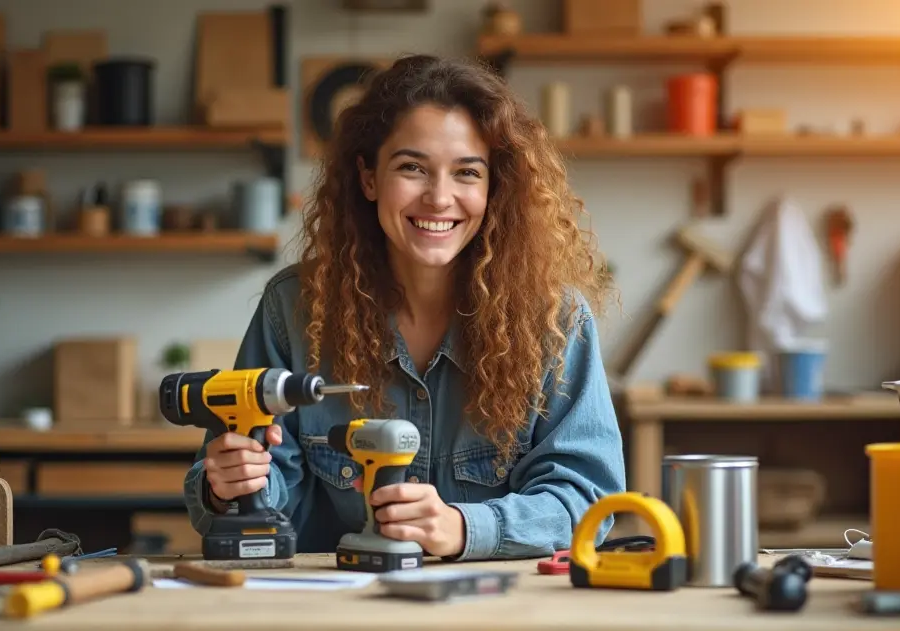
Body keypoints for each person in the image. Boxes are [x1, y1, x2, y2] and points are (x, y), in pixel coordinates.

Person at [183, 53, 626, 561]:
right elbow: (258, 496)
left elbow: (588, 500)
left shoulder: (556, 319)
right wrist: (228, 488)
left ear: (492, 189)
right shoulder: (295, 310)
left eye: (466, 173)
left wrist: (466, 527)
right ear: (369, 178)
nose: (439, 198)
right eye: (412, 167)